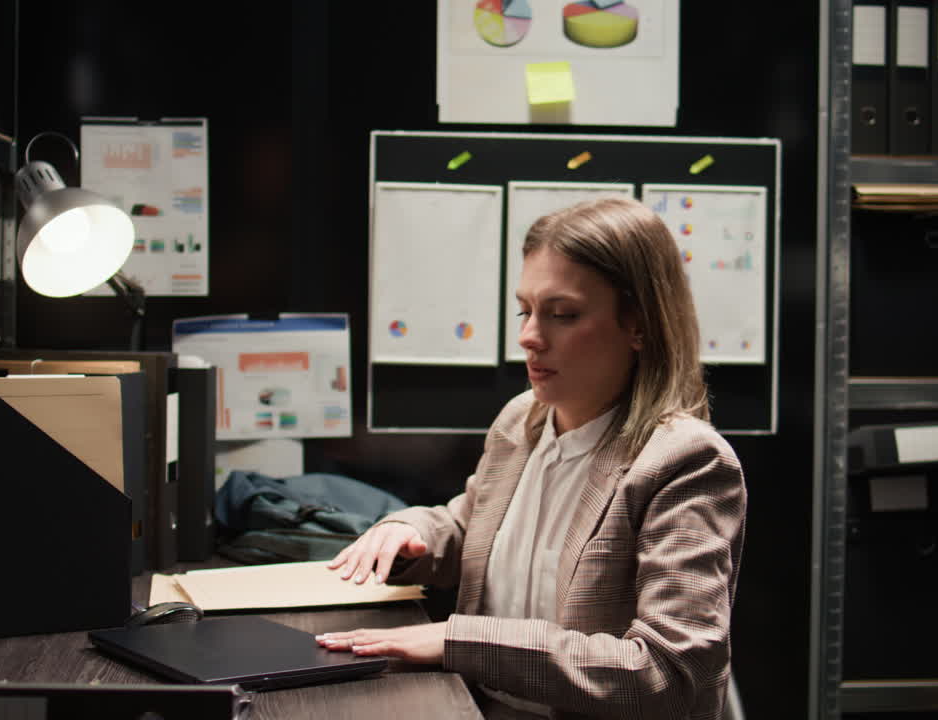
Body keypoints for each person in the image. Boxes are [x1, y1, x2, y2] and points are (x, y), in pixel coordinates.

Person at [319, 196, 747, 720]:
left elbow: (665, 674)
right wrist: (413, 534)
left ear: (639, 324)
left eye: (562, 315)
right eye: (525, 310)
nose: (528, 336)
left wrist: (461, 641)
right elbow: (472, 526)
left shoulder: (687, 462)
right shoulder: (523, 419)